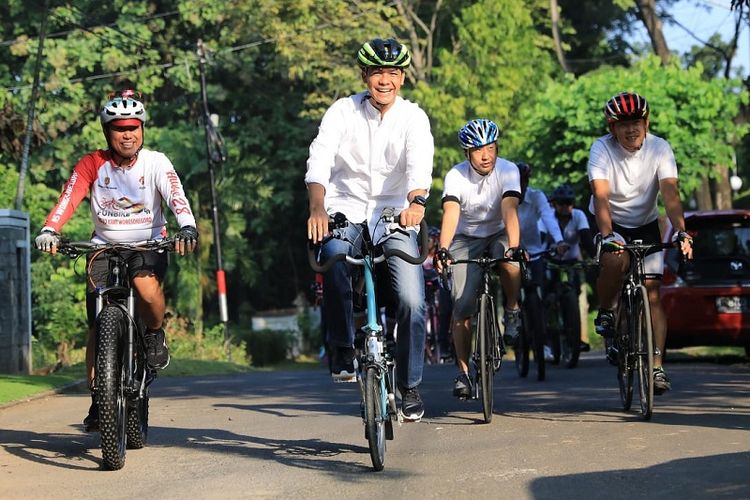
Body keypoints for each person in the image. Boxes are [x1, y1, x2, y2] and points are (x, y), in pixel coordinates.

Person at [34, 89, 198, 431]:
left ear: (142, 130)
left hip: (149, 243)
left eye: (134, 127)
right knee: (97, 322)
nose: (128, 134)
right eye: (120, 128)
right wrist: (50, 228)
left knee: (144, 285)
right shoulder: (92, 163)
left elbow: (175, 195)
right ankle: (99, 399)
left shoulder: (156, 162)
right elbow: (70, 196)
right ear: (107, 132)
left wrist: (187, 227)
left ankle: (154, 333)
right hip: (103, 247)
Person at [305, 38, 434, 421]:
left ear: (403, 78)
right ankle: (342, 349)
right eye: (377, 72)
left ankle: (409, 387)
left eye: (392, 72)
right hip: (345, 209)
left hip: (396, 214)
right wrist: (317, 209)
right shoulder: (342, 112)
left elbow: (419, 164)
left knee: (412, 299)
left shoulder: (414, 118)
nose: (385, 80)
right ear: (365, 75)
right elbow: (320, 158)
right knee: (331, 256)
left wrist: (416, 204)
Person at [588, 91, 693, 394]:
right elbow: (601, 195)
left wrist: (682, 231)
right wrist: (608, 236)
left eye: (636, 122)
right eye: (623, 124)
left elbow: (670, 196)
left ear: (646, 123)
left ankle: (657, 366)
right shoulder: (601, 149)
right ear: (612, 128)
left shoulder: (660, 148)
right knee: (616, 259)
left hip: (647, 223)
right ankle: (608, 309)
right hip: (612, 220)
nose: (631, 129)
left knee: (653, 292)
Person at [434, 118, 526, 399]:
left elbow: (510, 210)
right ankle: (463, 373)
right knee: (461, 306)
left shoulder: (508, 170)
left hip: (499, 231)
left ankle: (512, 310)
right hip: (466, 238)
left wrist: (514, 246)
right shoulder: (455, 176)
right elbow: (450, 213)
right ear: (466, 153)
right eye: (478, 150)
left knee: (511, 263)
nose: (486, 155)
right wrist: (443, 248)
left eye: (490, 147)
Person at [516, 163, 566, 362]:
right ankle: (510, 317)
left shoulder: (537, 197)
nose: (522, 186)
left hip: (535, 252)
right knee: (509, 285)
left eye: (525, 181)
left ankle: (542, 340)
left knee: (539, 294)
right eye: (518, 181)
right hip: (511, 252)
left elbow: (548, 218)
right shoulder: (502, 196)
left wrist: (559, 240)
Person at [545, 183, 596, 352]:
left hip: (572, 262)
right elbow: (541, 239)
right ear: (554, 204)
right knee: (547, 295)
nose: (566, 207)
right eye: (561, 203)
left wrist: (595, 256)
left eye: (569, 203)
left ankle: (577, 337)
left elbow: (586, 239)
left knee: (577, 297)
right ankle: (547, 335)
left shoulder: (579, 216)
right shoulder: (547, 217)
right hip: (550, 261)